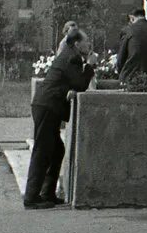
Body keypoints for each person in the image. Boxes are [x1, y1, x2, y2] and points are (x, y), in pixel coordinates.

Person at [25, 28, 97, 209]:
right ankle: (31, 197)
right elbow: (80, 84)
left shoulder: (68, 54)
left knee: (56, 150)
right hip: (48, 107)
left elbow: (71, 83)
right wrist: (90, 66)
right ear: (77, 43)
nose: (89, 44)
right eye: (86, 41)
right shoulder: (72, 57)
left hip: (47, 106)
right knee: (42, 151)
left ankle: (47, 193)